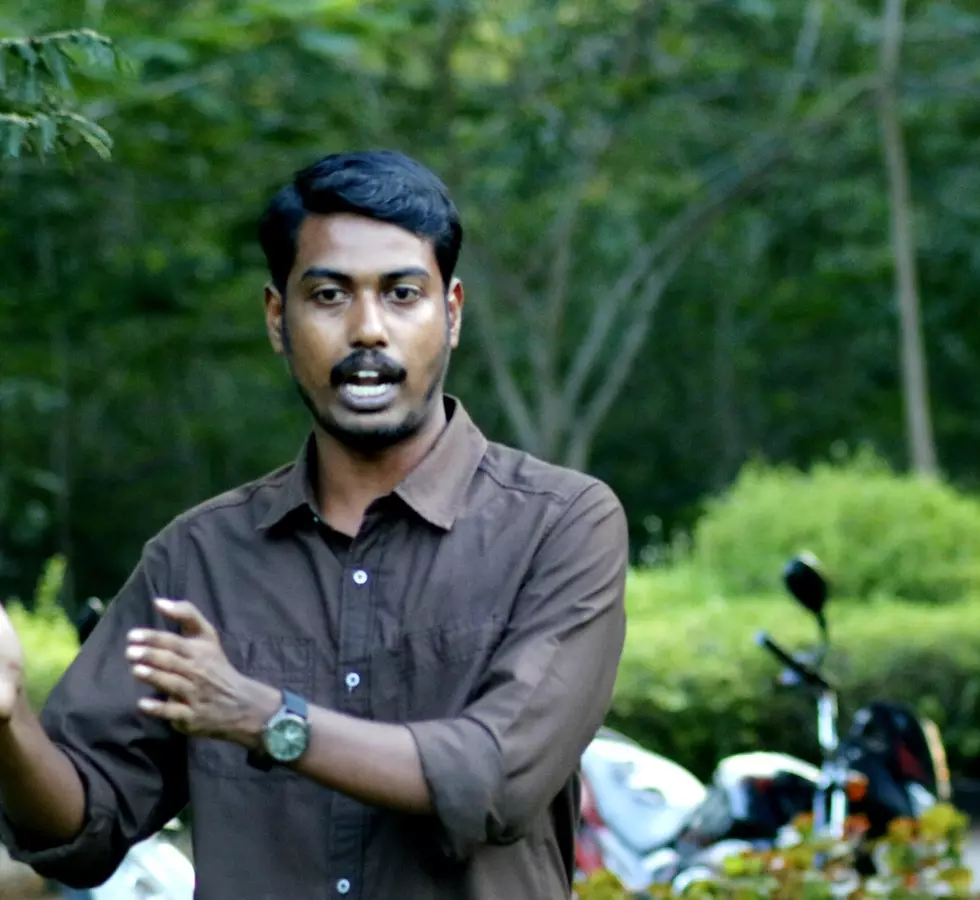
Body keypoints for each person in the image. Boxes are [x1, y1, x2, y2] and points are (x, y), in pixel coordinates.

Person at [0, 150, 630, 899]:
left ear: (452, 313)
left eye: (402, 294)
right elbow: (81, 831)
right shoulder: (198, 558)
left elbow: (495, 777)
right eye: (329, 296)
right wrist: (9, 722)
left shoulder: (561, 525)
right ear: (278, 319)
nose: (367, 329)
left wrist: (265, 718)